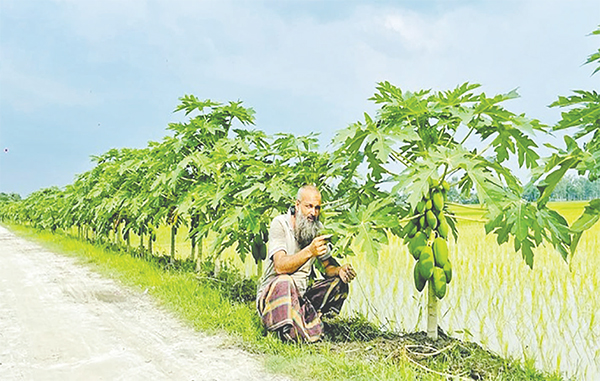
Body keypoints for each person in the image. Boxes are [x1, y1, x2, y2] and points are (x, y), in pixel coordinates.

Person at [256, 185, 356, 342]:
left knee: (339, 282)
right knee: (285, 281)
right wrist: (310, 251)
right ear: (297, 205)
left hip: (300, 297)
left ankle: (307, 321)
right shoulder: (280, 224)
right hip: (274, 295)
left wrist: (340, 270)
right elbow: (280, 266)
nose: (313, 213)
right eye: (309, 206)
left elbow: (328, 267)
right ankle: (287, 330)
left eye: (317, 208)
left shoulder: (316, 228)